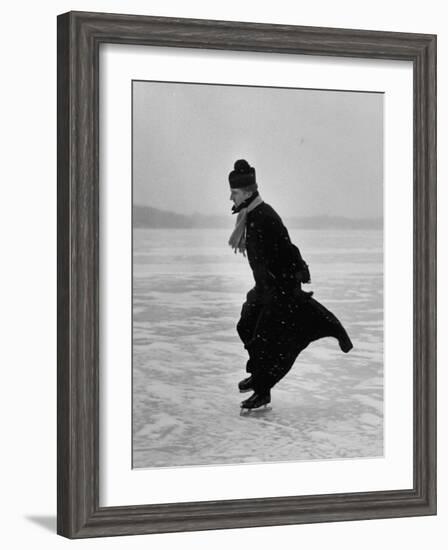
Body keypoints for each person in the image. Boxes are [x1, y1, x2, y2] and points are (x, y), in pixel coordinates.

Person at [228, 159, 353, 411]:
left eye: (234, 192)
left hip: (278, 289)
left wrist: (296, 274)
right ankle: (258, 375)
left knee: (265, 340)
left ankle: (262, 391)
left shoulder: (265, 216)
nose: (230, 197)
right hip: (263, 288)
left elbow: (286, 246)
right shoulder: (250, 216)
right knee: (246, 326)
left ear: (247, 192)